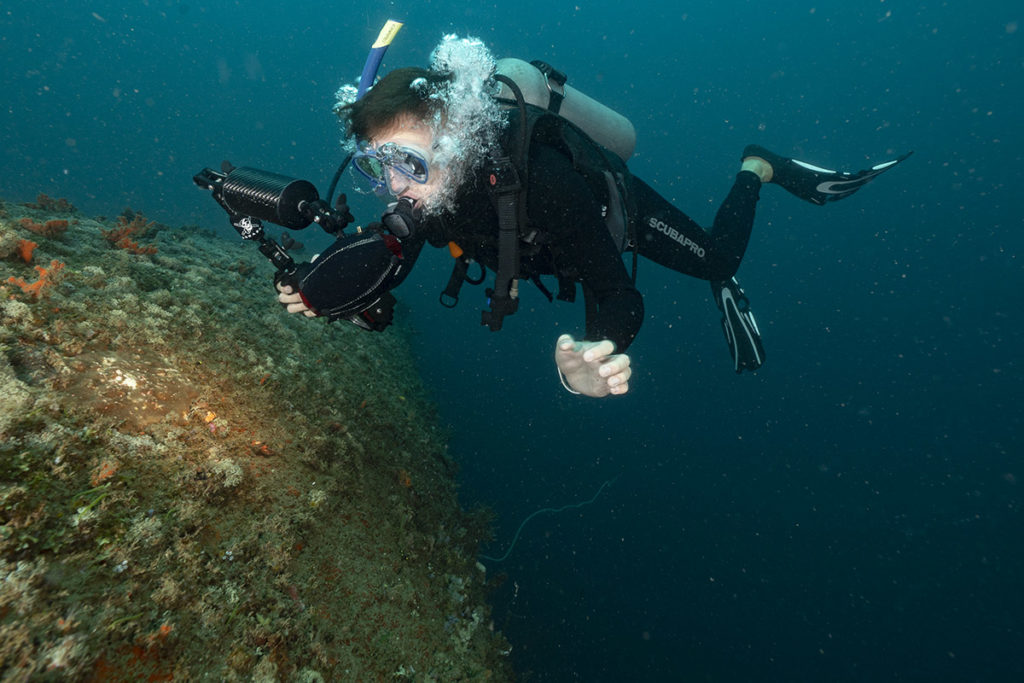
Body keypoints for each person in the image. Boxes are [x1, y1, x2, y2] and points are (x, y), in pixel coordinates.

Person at [276, 37, 908, 398]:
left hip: (611, 212)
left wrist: (587, 360)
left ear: (458, 143)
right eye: (375, 165)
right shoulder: (426, 191)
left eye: (408, 162)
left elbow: (615, 291)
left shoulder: (544, 185)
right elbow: (388, 248)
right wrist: (322, 283)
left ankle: (757, 165)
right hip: (528, 241)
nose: (393, 185)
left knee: (720, 261)